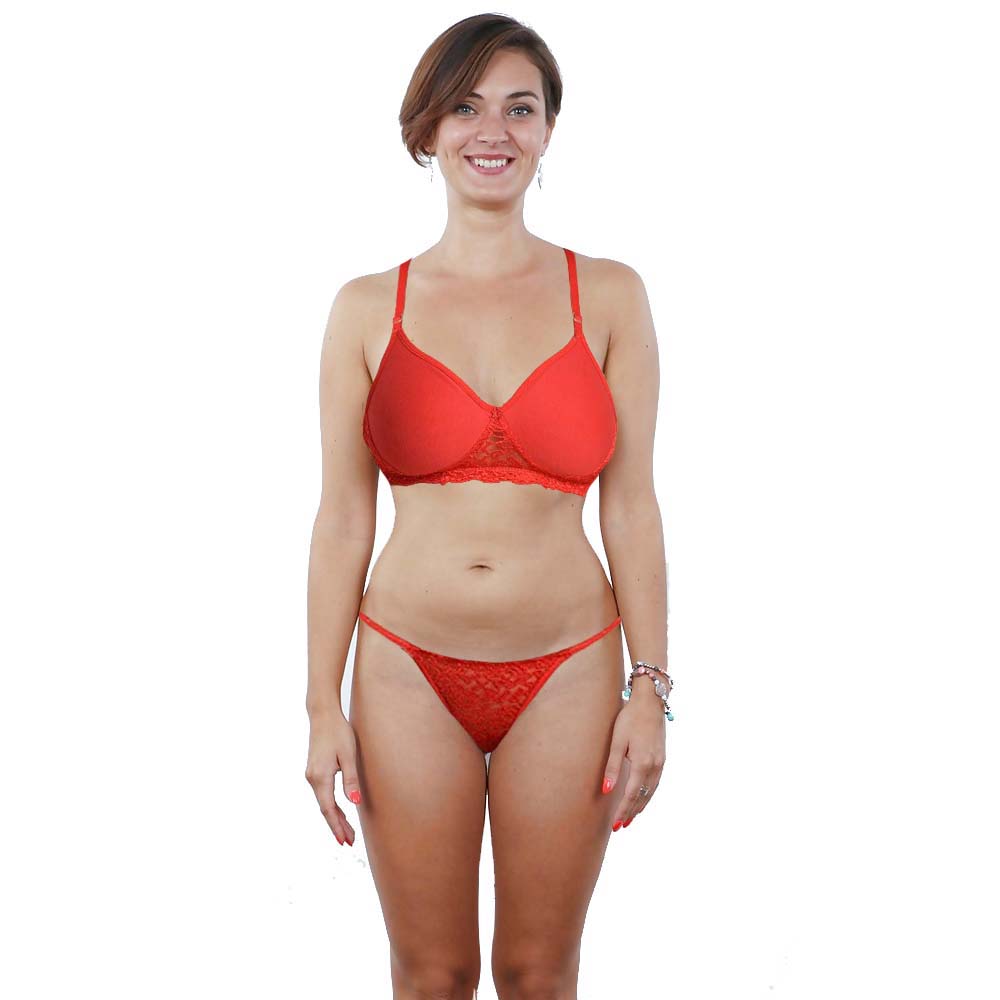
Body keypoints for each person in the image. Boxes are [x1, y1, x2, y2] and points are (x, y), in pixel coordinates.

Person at [305, 13, 671, 999]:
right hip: (405, 672)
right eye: (465, 108)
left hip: (570, 669)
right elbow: (342, 519)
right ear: (427, 128)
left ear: (548, 130)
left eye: (520, 108)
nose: (492, 131)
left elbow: (633, 507)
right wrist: (320, 704)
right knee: (432, 975)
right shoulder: (364, 308)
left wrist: (650, 686)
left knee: (536, 973)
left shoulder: (610, 296)